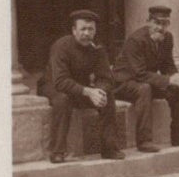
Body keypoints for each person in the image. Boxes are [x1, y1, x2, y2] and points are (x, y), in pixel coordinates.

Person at [113, 5, 179, 152]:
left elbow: (168, 65)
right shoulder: (135, 40)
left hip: (144, 81)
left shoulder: (167, 38)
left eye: (164, 23)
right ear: (148, 22)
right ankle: (144, 141)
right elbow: (139, 73)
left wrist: (177, 77)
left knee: (175, 89)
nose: (160, 27)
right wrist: (168, 80)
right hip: (122, 84)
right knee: (144, 88)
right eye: (157, 23)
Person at [45, 10, 123, 164]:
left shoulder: (97, 49)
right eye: (83, 29)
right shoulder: (61, 46)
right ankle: (57, 151)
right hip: (53, 86)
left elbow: (106, 78)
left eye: (91, 29)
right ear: (74, 30)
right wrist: (88, 92)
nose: (87, 33)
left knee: (107, 96)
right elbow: (60, 81)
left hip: (80, 88)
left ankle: (109, 148)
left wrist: (99, 91)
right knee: (62, 100)